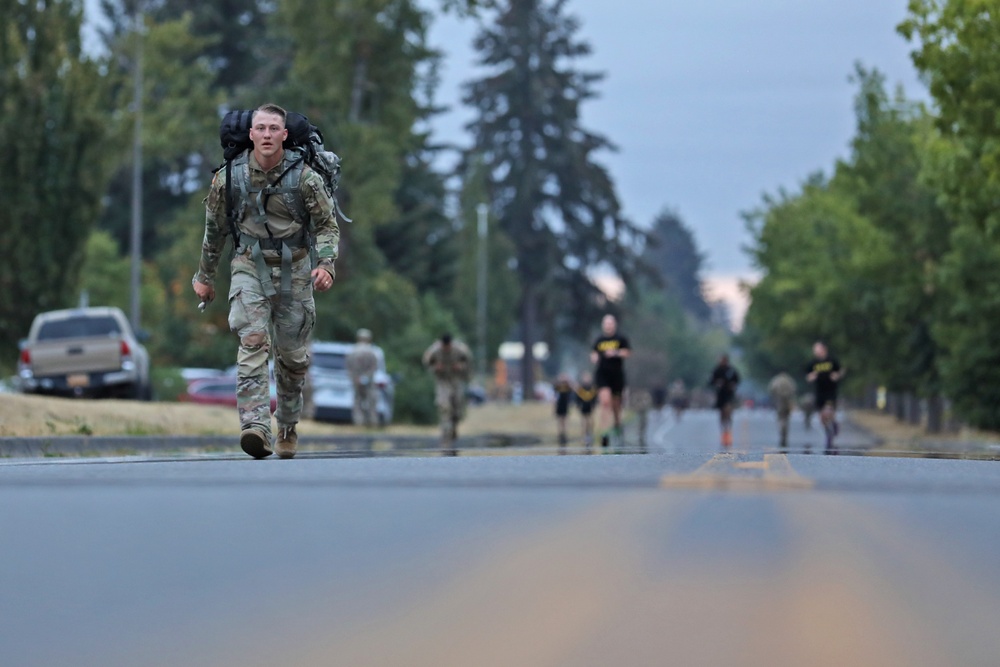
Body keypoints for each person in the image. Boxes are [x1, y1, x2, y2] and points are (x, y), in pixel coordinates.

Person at [192, 103, 340, 460]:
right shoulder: (229, 177)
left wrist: (328, 264)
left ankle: (287, 425)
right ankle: (255, 427)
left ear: (285, 135)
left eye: (275, 128)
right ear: (251, 134)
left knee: (292, 357)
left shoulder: (305, 177)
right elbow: (215, 230)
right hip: (249, 266)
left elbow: (326, 224)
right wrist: (204, 276)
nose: (268, 134)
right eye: (261, 128)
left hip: (297, 269)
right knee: (252, 340)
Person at [422, 333, 473, 455]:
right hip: (442, 381)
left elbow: (469, 362)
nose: (446, 349)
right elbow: (426, 362)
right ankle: (445, 435)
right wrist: (435, 367)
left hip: (456, 380)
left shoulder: (460, 349)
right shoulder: (434, 350)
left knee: (457, 409)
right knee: (444, 406)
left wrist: (460, 366)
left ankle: (454, 428)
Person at [591, 314, 631, 448]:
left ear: (614, 325)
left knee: (616, 406)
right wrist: (595, 357)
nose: (608, 326)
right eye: (606, 323)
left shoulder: (621, 339)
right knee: (605, 403)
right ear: (603, 325)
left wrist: (615, 353)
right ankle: (604, 434)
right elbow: (593, 353)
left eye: (610, 323)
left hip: (617, 376)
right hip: (602, 375)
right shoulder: (599, 340)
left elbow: (627, 353)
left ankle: (617, 426)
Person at [806, 341, 845, 454]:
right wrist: (811, 377)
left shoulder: (832, 361)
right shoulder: (813, 363)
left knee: (828, 411)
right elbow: (808, 376)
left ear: (823, 349)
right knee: (822, 417)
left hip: (830, 391)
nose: (815, 351)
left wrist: (836, 376)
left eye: (816, 348)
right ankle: (830, 429)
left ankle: (832, 429)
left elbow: (840, 371)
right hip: (819, 392)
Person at [346, 328, 379, 427]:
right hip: (369, 381)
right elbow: (374, 367)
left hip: (356, 380)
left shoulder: (352, 351)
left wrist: (355, 378)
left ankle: (358, 422)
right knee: (371, 402)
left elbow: (349, 367)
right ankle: (372, 422)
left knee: (357, 402)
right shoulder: (372, 351)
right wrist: (366, 376)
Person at [709, 354, 740, 447]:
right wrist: (717, 383)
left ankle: (728, 430)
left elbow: (737, 380)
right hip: (720, 395)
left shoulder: (731, 370)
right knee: (722, 413)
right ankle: (723, 431)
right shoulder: (717, 370)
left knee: (728, 411)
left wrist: (733, 384)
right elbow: (711, 381)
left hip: (729, 395)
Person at [768, 371, 797, 450]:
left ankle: (781, 431)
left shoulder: (776, 380)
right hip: (788, 400)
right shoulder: (789, 380)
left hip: (779, 400)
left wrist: (775, 397)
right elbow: (793, 389)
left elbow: (772, 389)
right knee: (786, 418)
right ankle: (785, 434)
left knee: (781, 418)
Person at [574, 371, 598, 451]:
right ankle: (583, 437)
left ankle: (590, 435)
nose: (586, 379)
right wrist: (578, 405)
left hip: (590, 408)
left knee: (590, 422)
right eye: (585, 378)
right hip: (583, 408)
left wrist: (594, 405)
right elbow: (577, 398)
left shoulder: (592, 388)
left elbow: (595, 398)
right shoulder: (581, 389)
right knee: (583, 422)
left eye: (588, 378)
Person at [552, 373, 573, 451]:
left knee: (565, 421)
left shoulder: (568, 386)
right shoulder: (558, 386)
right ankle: (560, 435)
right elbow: (554, 394)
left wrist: (568, 381)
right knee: (560, 421)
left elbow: (574, 389)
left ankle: (565, 435)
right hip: (559, 405)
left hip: (565, 406)